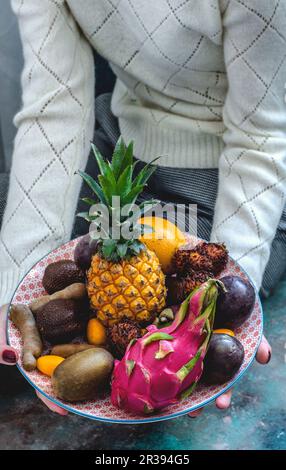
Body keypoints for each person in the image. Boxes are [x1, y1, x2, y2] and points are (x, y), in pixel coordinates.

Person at [0, 0, 283, 415]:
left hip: (220, 174)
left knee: (150, 342)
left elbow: (259, 135)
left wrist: (222, 306)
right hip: (118, 153)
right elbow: (53, 108)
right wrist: (11, 300)